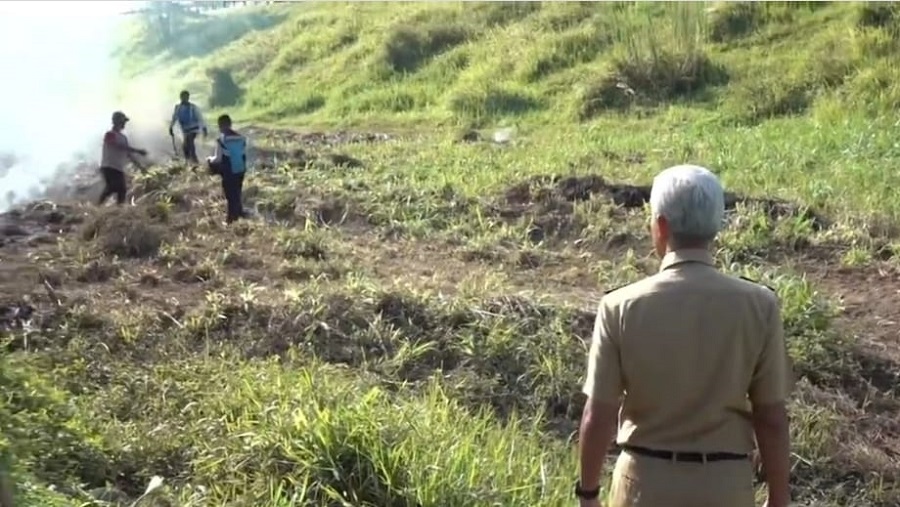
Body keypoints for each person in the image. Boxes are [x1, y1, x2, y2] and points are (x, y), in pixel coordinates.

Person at [575, 164, 794, 507]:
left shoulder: (619, 306)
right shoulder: (760, 306)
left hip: (643, 484)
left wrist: (588, 494)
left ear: (661, 226)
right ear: (716, 225)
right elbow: (771, 418)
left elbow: (598, 414)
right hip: (726, 485)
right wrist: (779, 498)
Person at [98, 111, 147, 206]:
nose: (124, 123)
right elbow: (117, 146)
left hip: (118, 167)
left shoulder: (123, 137)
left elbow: (128, 154)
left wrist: (140, 167)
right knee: (113, 186)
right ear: (116, 122)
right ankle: (98, 206)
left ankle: (119, 209)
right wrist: (137, 150)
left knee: (121, 190)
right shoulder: (110, 134)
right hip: (108, 166)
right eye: (122, 121)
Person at [206, 114, 248, 224]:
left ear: (220, 126)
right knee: (237, 192)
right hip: (241, 169)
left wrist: (209, 160)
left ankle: (231, 218)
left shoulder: (222, 140)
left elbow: (218, 159)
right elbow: (243, 155)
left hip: (229, 171)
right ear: (230, 124)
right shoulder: (241, 138)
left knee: (230, 194)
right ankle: (239, 212)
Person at [168, 90, 207, 164]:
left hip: (193, 129)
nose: (184, 99)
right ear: (180, 98)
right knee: (186, 145)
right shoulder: (178, 108)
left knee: (189, 141)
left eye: (186, 97)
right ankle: (189, 160)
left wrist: (204, 128)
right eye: (183, 97)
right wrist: (171, 127)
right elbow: (174, 118)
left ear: (188, 97)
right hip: (185, 130)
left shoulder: (193, 107)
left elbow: (200, 118)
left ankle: (194, 160)